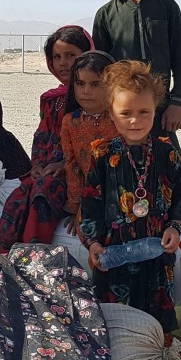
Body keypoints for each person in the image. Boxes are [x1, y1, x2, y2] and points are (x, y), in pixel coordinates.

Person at [79, 60, 181, 334]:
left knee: (156, 316)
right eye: (126, 112)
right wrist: (92, 242)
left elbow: (180, 193)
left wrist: (174, 227)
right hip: (114, 250)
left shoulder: (167, 153)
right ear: (111, 113)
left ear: (155, 111)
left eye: (144, 112)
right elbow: (91, 201)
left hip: (156, 249)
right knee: (114, 319)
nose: (135, 120)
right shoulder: (103, 154)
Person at [0, 25, 92, 253]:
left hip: (79, 175)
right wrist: (37, 166)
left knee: (42, 195)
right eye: (57, 57)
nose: (63, 63)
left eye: (71, 56)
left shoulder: (92, 98)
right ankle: (1, 257)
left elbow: (91, 144)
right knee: (16, 199)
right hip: (48, 170)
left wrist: (64, 167)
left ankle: (32, 258)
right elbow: (41, 137)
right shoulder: (50, 99)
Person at [93, 0, 181, 148]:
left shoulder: (167, 6)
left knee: (169, 174)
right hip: (122, 114)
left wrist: (178, 102)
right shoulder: (105, 14)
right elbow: (100, 70)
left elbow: (180, 59)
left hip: (162, 111)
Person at [59, 50, 118, 233]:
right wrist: (77, 208)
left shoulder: (121, 120)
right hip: (89, 196)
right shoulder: (70, 122)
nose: (86, 91)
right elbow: (73, 167)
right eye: (80, 83)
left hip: (123, 195)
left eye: (95, 84)